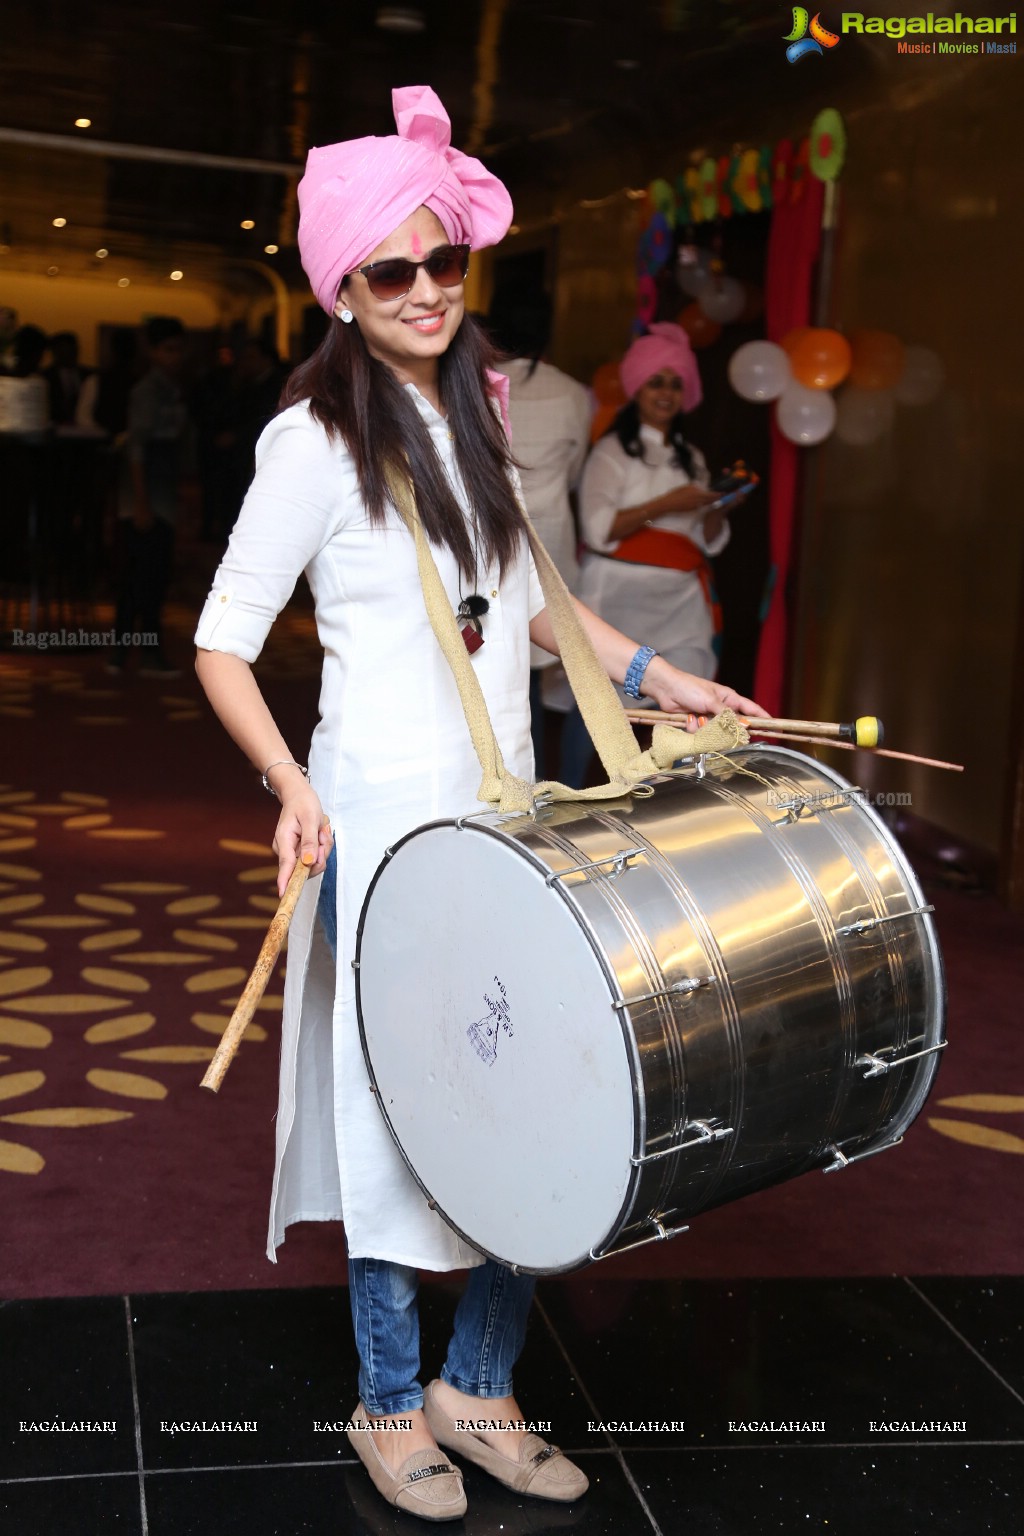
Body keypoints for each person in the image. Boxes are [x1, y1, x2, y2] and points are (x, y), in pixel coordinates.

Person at [194, 86, 760, 1523]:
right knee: (394, 1116)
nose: (428, 291)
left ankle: (482, 1384)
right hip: (382, 830)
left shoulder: (481, 415)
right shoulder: (310, 443)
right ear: (341, 285)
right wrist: (292, 788)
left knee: (532, 1098)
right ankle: (389, 1402)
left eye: (445, 261)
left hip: (510, 818)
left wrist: (650, 678)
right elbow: (221, 640)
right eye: (393, 269)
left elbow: (534, 597)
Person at [564, 322, 729, 785]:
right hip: (618, 597)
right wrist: (667, 503)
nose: (666, 392)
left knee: (689, 703)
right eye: (657, 381)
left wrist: (719, 508)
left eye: (676, 383)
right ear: (636, 387)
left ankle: (677, 803)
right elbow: (598, 531)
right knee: (601, 707)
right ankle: (573, 799)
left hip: (681, 599)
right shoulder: (611, 452)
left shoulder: (691, 457)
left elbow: (706, 537)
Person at [487, 283, 591, 776]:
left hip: (488, 539)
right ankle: (549, 785)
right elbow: (575, 474)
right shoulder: (575, 394)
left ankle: (505, 777)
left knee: (495, 665)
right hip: (549, 540)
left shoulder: (474, 384)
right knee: (545, 661)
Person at [108, 316, 196, 676]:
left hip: (161, 491)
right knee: (140, 578)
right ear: (153, 352)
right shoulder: (147, 390)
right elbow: (137, 449)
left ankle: (136, 652)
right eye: (167, 350)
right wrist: (140, 502)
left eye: (178, 350)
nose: (174, 357)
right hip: (145, 496)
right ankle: (130, 652)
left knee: (153, 577)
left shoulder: (174, 388)